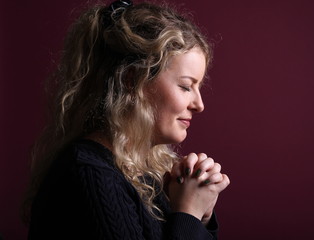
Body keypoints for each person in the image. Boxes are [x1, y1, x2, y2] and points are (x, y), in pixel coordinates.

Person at [24, 0, 230, 239]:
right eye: (185, 86)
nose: (199, 105)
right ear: (132, 81)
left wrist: (200, 215)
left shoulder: (149, 173)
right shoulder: (91, 176)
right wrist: (188, 215)